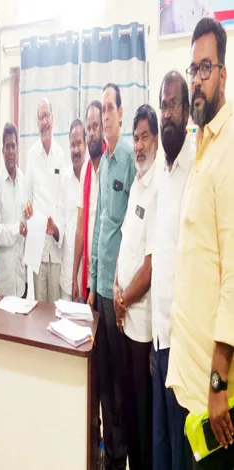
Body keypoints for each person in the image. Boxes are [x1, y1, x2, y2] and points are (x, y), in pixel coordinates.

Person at [168, 17, 234, 469]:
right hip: (193, 386)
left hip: (216, 396)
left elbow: (232, 277)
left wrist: (217, 384)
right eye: (193, 69)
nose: (197, 80)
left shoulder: (228, 149)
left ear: (223, 75)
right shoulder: (203, 143)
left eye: (205, 68)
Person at [89, 83, 137, 470]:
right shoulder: (103, 163)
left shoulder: (130, 158)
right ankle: (109, 451)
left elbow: (133, 230)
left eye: (110, 108)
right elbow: (99, 225)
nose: (105, 115)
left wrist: (122, 285)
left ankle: (121, 456)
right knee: (103, 376)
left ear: (121, 113)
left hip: (121, 293)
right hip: (101, 289)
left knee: (122, 383)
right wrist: (91, 283)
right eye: (102, 109)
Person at [151, 71, 193, 470]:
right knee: (160, 447)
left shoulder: (194, 168)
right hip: (158, 340)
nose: (167, 113)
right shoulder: (162, 172)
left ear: (187, 111)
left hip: (182, 346)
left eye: (174, 105)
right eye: (163, 105)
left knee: (180, 454)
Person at [115, 104, 159, 470]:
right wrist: (117, 292)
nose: (139, 145)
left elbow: (151, 265)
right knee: (129, 409)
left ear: (155, 139)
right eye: (136, 137)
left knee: (144, 420)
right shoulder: (137, 183)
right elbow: (128, 244)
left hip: (143, 326)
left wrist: (124, 299)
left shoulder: (158, 186)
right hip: (126, 318)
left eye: (145, 136)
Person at [24, 97, 67, 302]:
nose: (44, 122)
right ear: (37, 122)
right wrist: (27, 209)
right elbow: (27, 199)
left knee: (55, 307)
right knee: (40, 309)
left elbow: (65, 202)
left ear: (53, 118)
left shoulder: (61, 155)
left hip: (56, 247)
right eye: (40, 118)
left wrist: (57, 230)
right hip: (38, 248)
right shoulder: (32, 155)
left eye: (46, 116)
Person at [0, 123, 29, 298]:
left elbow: (27, 226)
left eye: (14, 146)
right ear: (3, 150)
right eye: (8, 146)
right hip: (4, 283)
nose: (11, 151)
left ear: (18, 149)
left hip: (21, 280)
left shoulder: (25, 183)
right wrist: (17, 229)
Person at [72, 101, 106, 302]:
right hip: (87, 274)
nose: (92, 133)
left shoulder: (110, 163)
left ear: (103, 127)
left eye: (96, 126)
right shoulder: (85, 170)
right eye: (89, 128)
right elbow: (80, 229)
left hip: (106, 277)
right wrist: (74, 276)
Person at [57, 118, 86, 301]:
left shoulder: (93, 177)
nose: (75, 150)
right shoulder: (64, 179)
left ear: (86, 144)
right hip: (67, 272)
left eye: (79, 143)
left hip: (86, 276)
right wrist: (55, 230)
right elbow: (61, 222)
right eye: (72, 145)